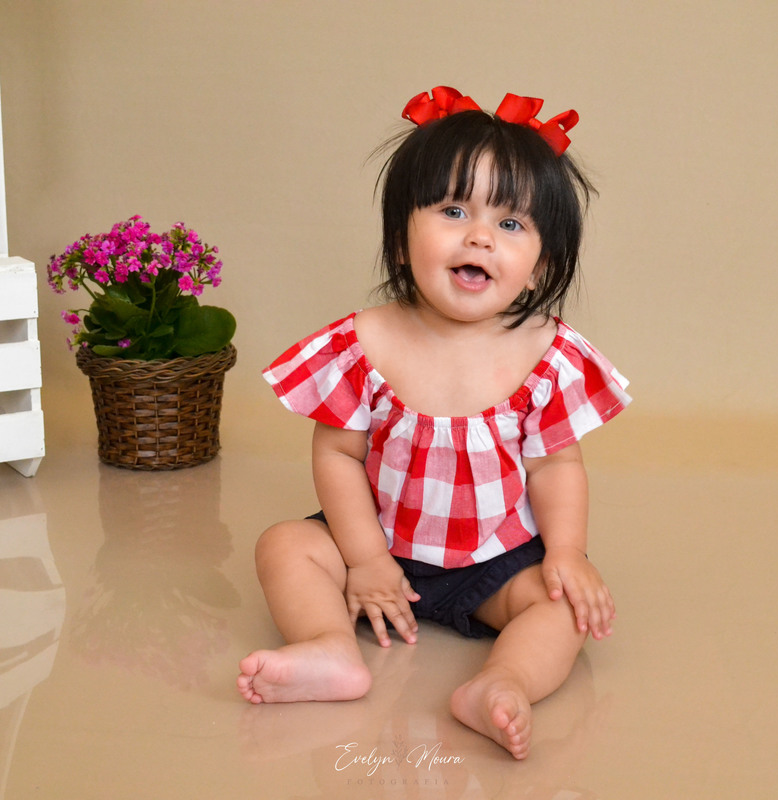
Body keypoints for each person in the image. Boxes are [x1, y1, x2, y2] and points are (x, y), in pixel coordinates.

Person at [237, 86, 631, 760]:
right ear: (399, 243)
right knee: (284, 546)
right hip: (377, 541)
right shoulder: (363, 342)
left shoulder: (547, 354)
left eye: (511, 225)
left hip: (495, 560)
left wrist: (565, 552)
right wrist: (363, 559)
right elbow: (336, 455)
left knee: (563, 606)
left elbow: (556, 465)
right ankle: (330, 649)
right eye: (453, 211)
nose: (479, 235)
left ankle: (501, 684)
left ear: (538, 270)